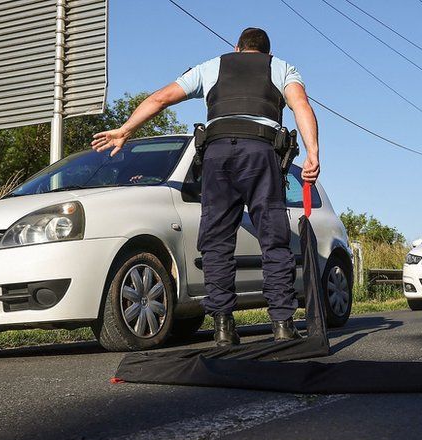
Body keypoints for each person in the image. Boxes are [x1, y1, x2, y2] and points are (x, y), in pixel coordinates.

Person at [91, 27, 320, 346]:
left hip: (217, 153)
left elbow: (160, 98)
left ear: (237, 48)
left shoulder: (212, 66)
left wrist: (125, 130)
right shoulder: (281, 68)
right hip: (259, 152)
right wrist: (313, 152)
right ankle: (282, 324)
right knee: (273, 238)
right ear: (267, 53)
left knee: (216, 242)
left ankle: (224, 328)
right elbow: (301, 106)